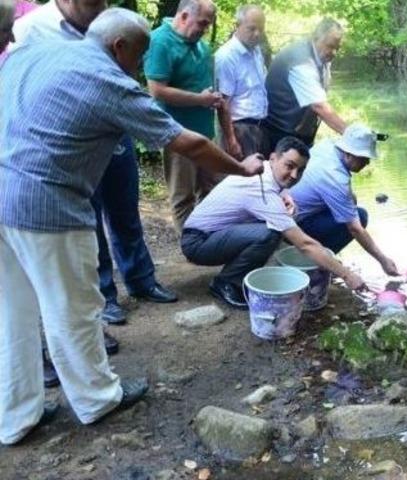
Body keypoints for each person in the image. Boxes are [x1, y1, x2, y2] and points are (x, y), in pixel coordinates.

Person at [0, 7, 264, 445]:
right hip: (48, 207)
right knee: (74, 309)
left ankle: (15, 416)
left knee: (12, 313)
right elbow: (190, 143)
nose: (140, 68)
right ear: (118, 47)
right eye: (139, 57)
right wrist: (242, 168)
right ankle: (98, 399)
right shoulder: (108, 81)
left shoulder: (31, 54)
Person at [12, 0, 180, 332]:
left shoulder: (108, 21)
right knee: (87, 223)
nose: (101, 5)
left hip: (113, 131)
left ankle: (141, 279)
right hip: (66, 150)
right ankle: (105, 297)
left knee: (125, 209)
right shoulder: (31, 27)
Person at [182, 137, 366, 309]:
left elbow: (276, 188)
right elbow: (304, 244)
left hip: (212, 234)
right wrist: (347, 275)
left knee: (271, 230)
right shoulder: (262, 189)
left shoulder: (262, 170)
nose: (294, 175)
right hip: (198, 242)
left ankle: (238, 274)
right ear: (273, 159)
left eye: (300, 170)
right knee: (270, 233)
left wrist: (284, 195)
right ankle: (226, 283)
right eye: (289, 165)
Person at [145, 0, 240, 232]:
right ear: (184, 16)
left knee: (211, 188)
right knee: (183, 195)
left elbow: (210, 89)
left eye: (208, 25)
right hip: (177, 134)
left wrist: (228, 133)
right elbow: (157, 90)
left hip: (205, 133)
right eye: (202, 23)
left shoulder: (202, 47)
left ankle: (206, 236)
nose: (205, 30)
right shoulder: (160, 41)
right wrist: (200, 99)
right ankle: (191, 247)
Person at [290, 124, 399, 277]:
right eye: (363, 158)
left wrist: (350, 199)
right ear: (348, 154)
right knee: (360, 216)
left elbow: (348, 197)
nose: (367, 163)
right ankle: (318, 263)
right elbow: (355, 228)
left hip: (290, 210)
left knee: (351, 206)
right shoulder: (335, 178)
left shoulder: (327, 146)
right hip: (294, 225)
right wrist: (383, 260)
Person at [264, 17, 347, 150]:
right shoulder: (301, 60)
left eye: (337, 48)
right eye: (330, 46)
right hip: (280, 135)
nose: (334, 52)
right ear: (315, 37)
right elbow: (319, 105)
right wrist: (350, 134)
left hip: (300, 136)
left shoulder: (321, 57)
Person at [214, 4, 268, 158]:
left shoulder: (256, 51)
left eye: (261, 29)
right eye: (251, 28)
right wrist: (231, 140)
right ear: (237, 25)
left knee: (257, 180)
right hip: (239, 130)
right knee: (240, 180)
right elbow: (222, 104)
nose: (257, 34)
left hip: (259, 128)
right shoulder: (227, 57)